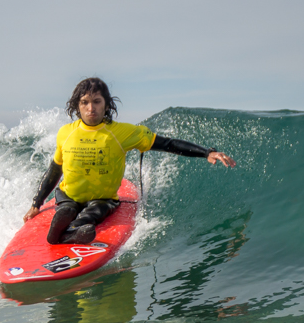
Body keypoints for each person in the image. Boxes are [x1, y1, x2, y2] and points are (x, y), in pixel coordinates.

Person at [24, 77, 237, 244]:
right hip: (69, 194)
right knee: (67, 209)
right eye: (85, 103)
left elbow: (166, 143)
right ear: (77, 106)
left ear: (106, 105)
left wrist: (206, 152)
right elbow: (55, 169)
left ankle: (67, 232)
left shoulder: (122, 132)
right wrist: (36, 203)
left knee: (95, 212)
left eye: (97, 102)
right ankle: (66, 227)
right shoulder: (65, 133)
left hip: (102, 197)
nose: (91, 108)